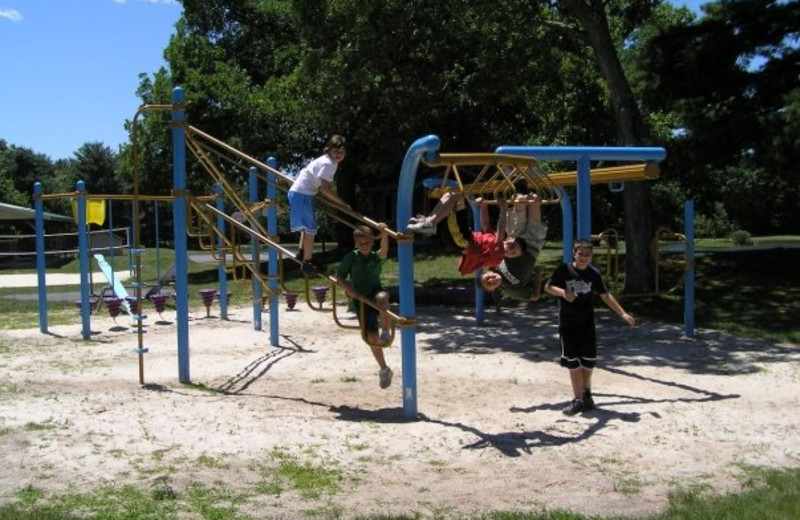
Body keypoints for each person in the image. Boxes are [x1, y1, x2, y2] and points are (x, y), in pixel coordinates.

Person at [544, 240, 636, 416]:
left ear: (591, 256)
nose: (584, 257)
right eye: (581, 253)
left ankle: (586, 394)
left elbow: (605, 295)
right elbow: (548, 287)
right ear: (574, 253)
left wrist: (622, 314)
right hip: (568, 323)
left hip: (587, 323)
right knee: (573, 361)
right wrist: (564, 293)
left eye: (588, 254)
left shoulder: (594, 273)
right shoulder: (564, 270)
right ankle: (577, 399)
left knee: (588, 360)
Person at [408, 192, 545, 302]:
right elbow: (486, 225)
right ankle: (428, 223)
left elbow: (500, 229)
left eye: (487, 280)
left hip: (462, 240)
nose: (492, 279)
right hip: (465, 236)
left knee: (454, 197)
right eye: (511, 250)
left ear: (485, 273)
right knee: (455, 195)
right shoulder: (498, 256)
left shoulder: (496, 257)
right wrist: (484, 206)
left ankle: (429, 224)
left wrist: (500, 209)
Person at [335, 223, 394, 389]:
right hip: (361, 298)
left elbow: (384, 251)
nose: (364, 246)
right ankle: (384, 369)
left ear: (372, 242)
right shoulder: (352, 257)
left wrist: (383, 233)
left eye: (367, 242)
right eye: (361, 244)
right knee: (371, 338)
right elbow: (340, 276)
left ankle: (386, 330)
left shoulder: (375, 256)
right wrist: (349, 289)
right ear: (355, 244)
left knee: (383, 298)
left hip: (375, 292)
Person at [288, 135, 349, 274]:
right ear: (328, 150)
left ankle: (302, 252)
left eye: (342, 152)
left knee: (307, 226)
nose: (339, 155)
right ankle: (308, 262)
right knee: (310, 229)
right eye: (336, 151)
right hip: (302, 195)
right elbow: (325, 190)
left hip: (300, 194)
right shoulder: (328, 163)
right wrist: (343, 203)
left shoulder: (326, 161)